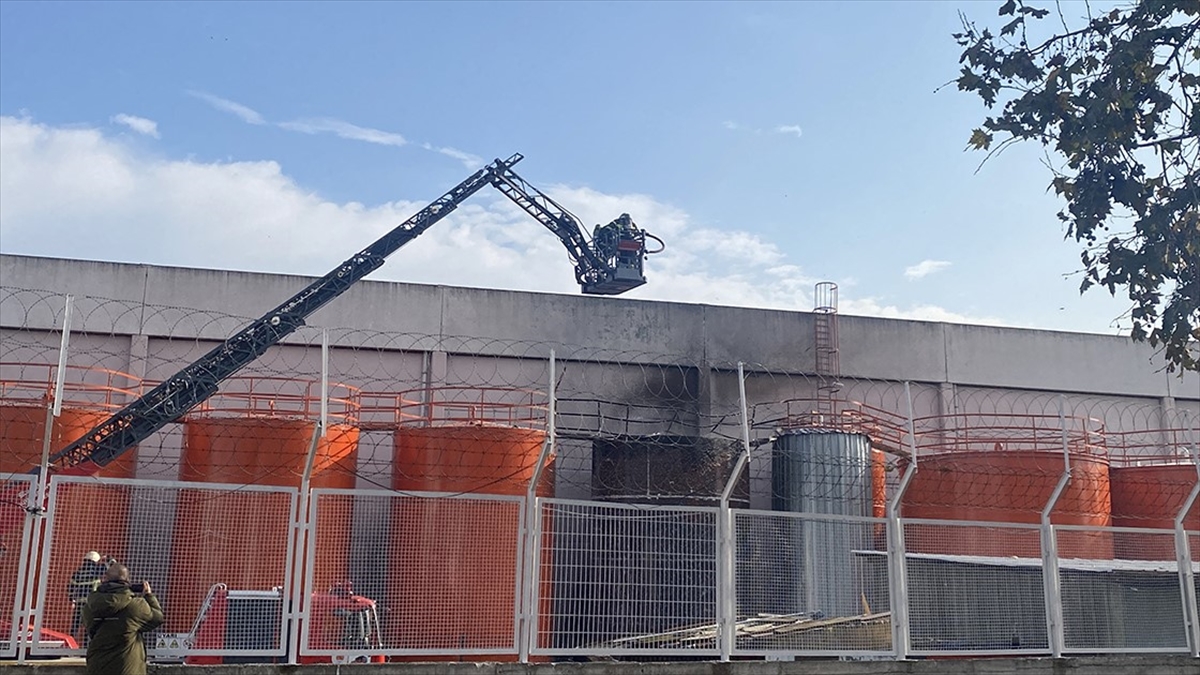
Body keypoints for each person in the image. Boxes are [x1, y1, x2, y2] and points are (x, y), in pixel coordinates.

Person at [81, 563, 164, 675]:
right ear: (127, 580)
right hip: (127, 667)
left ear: (104, 579)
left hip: (98, 664)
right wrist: (149, 596)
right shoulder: (135, 606)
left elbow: (90, 629)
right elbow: (157, 618)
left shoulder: (90, 606)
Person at [67, 551, 107, 641]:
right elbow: (113, 564)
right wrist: (107, 558)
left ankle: (69, 648)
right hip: (92, 603)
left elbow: (70, 588)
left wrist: (72, 600)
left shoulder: (77, 573)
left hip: (79, 603)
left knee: (75, 627)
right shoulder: (98, 571)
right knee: (89, 628)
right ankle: (86, 650)